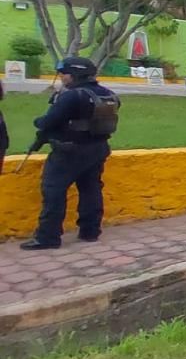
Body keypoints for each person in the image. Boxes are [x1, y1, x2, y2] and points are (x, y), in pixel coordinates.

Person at [20, 57, 120, 251]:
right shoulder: (108, 94)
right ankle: (90, 231)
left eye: (64, 74)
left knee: (53, 191)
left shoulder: (72, 96)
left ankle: (48, 236)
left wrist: (38, 122)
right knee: (91, 189)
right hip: (98, 149)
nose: (62, 77)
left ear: (73, 75)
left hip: (69, 151)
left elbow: (48, 122)